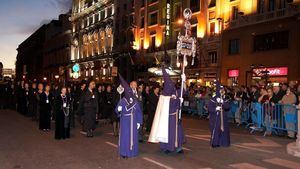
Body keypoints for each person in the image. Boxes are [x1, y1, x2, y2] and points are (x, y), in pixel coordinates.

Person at [148, 67, 185, 154]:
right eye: (169, 85)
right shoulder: (163, 96)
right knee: (167, 133)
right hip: (167, 118)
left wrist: (183, 81)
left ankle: (178, 147)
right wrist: (179, 100)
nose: (170, 87)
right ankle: (166, 147)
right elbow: (170, 104)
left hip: (176, 116)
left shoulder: (175, 92)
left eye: (171, 85)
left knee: (178, 132)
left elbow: (183, 91)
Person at [115, 74, 143, 158]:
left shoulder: (135, 100)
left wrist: (139, 121)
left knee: (133, 136)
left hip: (133, 120)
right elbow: (117, 110)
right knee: (125, 136)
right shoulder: (122, 100)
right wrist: (118, 109)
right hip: (125, 121)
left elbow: (138, 111)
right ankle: (124, 152)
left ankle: (133, 152)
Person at [207, 81, 231, 148]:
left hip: (223, 117)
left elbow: (228, 107)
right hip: (215, 117)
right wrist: (215, 109)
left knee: (223, 130)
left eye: (222, 90)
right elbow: (209, 108)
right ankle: (215, 142)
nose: (222, 92)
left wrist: (223, 102)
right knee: (216, 129)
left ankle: (223, 142)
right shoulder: (213, 99)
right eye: (220, 90)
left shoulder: (224, 99)